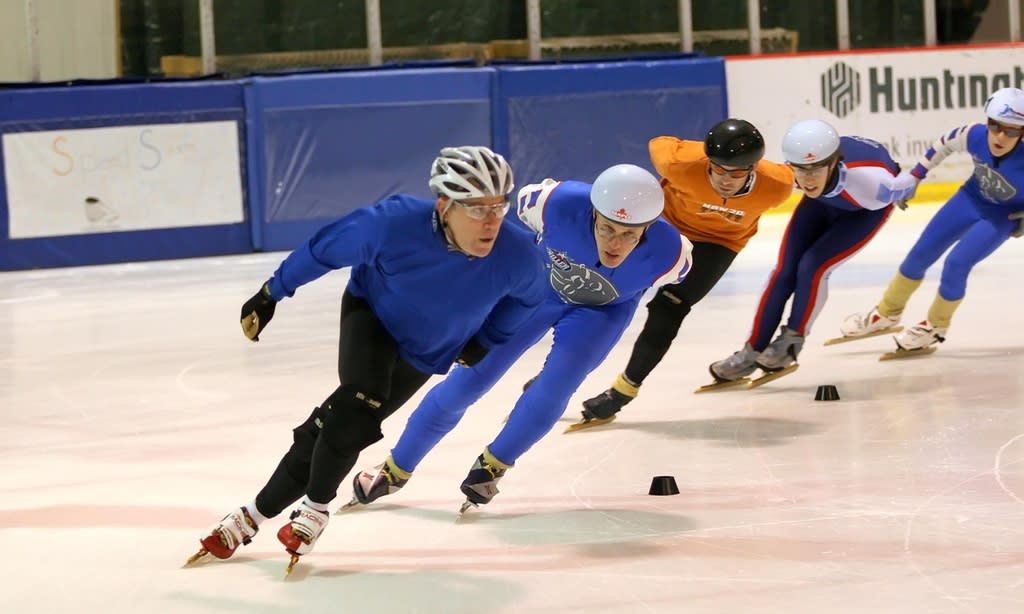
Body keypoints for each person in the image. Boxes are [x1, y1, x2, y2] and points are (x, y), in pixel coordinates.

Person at [185, 145, 548, 572]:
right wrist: (272, 293)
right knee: (362, 399)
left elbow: (528, 301)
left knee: (337, 423)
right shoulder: (393, 224)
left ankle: (251, 516)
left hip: (428, 348)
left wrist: (487, 339)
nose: (491, 221)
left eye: (498, 206)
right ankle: (316, 509)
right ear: (445, 205)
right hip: (371, 316)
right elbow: (324, 249)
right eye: (476, 208)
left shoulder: (520, 254)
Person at [344, 164, 693, 513]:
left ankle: (494, 465)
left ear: (648, 227)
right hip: (537, 293)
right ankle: (395, 468)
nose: (614, 244)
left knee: (558, 386)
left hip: (601, 314)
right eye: (606, 228)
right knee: (469, 379)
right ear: (591, 212)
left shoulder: (674, 255)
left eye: (630, 235)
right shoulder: (553, 202)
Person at [578, 119, 795, 427]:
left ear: (753, 169)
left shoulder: (778, 185)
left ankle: (622, 393)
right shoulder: (678, 161)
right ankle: (560, 375)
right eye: (718, 169)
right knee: (606, 292)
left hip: (719, 244)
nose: (725, 179)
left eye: (736, 173)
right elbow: (658, 142)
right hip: (666, 229)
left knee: (669, 308)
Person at [706, 119, 918, 387]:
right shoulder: (792, 175)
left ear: (833, 163)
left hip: (864, 212)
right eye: (799, 170)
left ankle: (790, 344)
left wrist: (902, 190)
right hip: (820, 205)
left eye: (815, 170)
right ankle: (751, 351)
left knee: (813, 267)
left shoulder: (873, 184)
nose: (806, 179)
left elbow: (908, 181)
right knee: (784, 272)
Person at [837, 87, 1024, 355]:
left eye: (1012, 130)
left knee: (956, 264)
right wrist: (915, 176)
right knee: (919, 254)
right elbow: (945, 143)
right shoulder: (975, 135)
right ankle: (886, 314)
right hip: (970, 198)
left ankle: (936, 325)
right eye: (995, 126)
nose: (1000, 136)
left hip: (1003, 215)